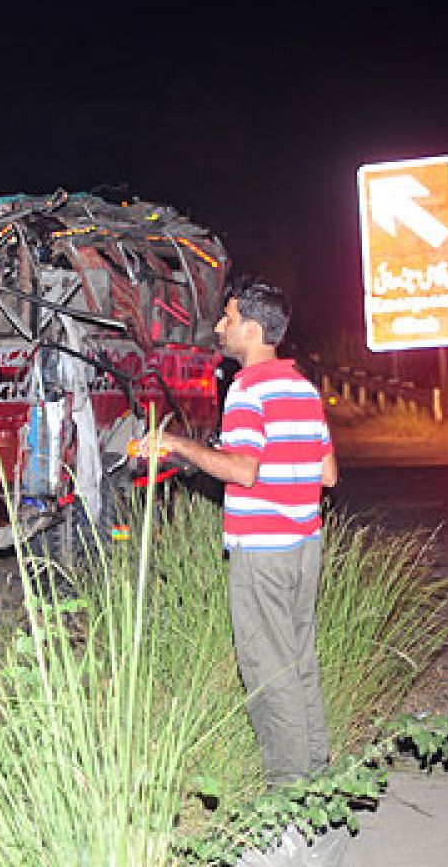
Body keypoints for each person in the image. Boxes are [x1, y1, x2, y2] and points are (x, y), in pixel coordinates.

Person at [147, 280, 338, 785]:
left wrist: (178, 445)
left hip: (263, 550)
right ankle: (318, 775)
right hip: (305, 545)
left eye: (228, 318)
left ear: (251, 329)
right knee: (299, 660)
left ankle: (288, 792)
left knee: (268, 669)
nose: (219, 327)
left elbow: (242, 471)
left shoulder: (247, 389)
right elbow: (327, 475)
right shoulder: (303, 388)